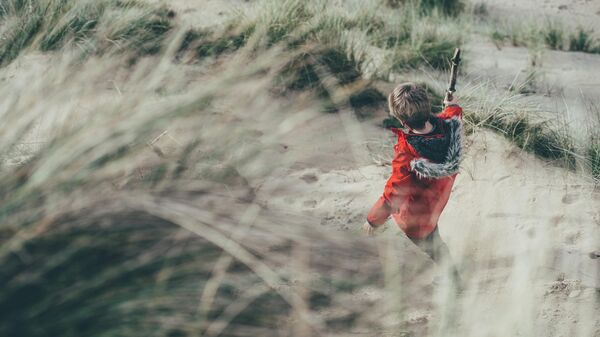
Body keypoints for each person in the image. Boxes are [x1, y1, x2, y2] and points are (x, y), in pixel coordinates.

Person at [363, 82, 463, 286]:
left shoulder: (407, 152)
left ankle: (454, 281)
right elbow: (453, 114)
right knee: (434, 237)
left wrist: (373, 220)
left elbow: (394, 192)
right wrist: (452, 105)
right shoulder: (448, 127)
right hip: (437, 200)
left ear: (401, 120)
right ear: (428, 107)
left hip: (416, 216)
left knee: (433, 245)